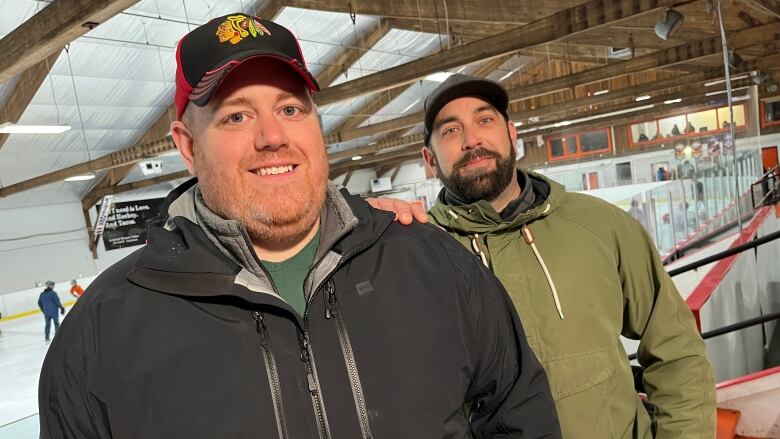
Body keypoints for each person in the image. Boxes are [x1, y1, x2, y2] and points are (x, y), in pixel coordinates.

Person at [38, 15, 560, 438]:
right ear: (188, 146)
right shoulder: (101, 336)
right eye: (236, 117)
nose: (272, 136)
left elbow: (520, 413)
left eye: (291, 108)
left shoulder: (431, 261)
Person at [370, 74, 716, 438]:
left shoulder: (601, 224)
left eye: (484, 120)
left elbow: (677, 352)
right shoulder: (416, 257)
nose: (472, 140)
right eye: (451, 131)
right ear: (429, 159)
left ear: (512, 133)